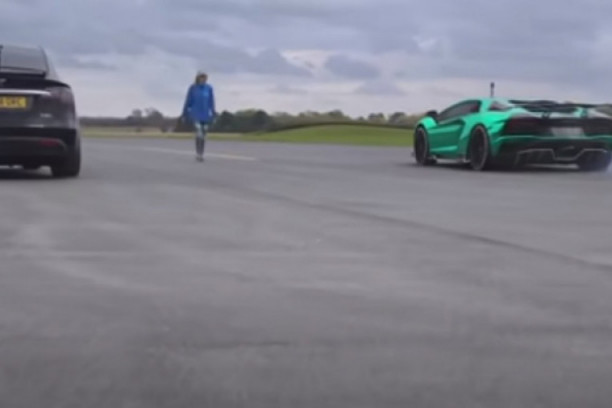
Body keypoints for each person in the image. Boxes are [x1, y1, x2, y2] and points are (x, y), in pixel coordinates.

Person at [181, 71, 217, 162]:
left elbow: (211, 102)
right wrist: (184, 113)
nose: (203, 79)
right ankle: (198, 153)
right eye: (201, 77)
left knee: (203, 135)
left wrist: (213, 113)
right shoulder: (193, 88)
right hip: (195, 114)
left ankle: (201, 152)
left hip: (205, 115)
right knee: (199, 133)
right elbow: (188, 101)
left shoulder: (209, 88)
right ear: (198, 78)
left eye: (205, 77)